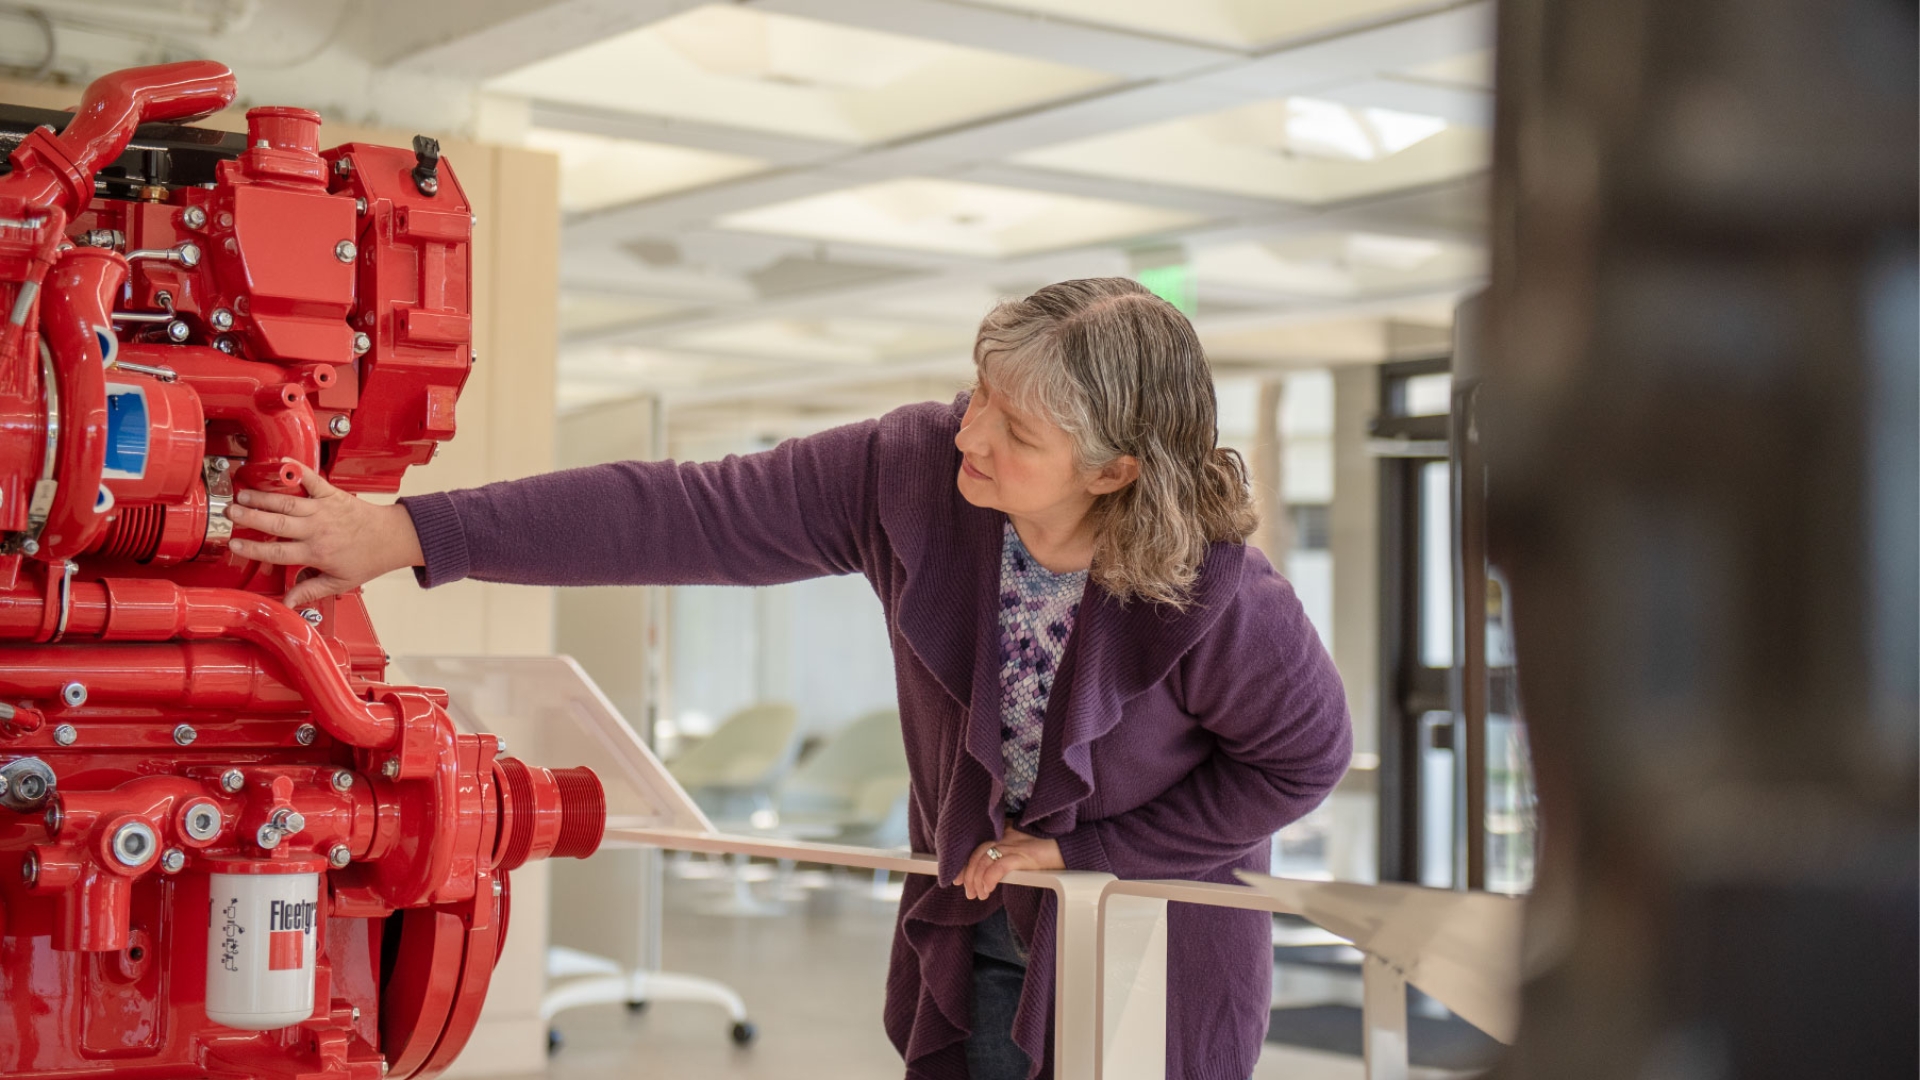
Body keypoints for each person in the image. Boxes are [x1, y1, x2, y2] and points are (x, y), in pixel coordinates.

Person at [227, 277, 1351, 1080]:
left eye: (1017, 427)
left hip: (1147, 956)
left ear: (1114, 470)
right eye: (978, 393)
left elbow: (1304, 761)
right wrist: (412, 532)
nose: (971, 430)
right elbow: (682, 512)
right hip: (982, 926)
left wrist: (1096, 853)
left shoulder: (1222, 594)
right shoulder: (909, 470)